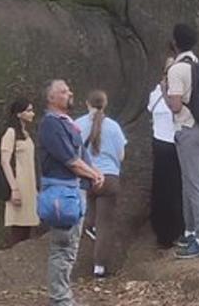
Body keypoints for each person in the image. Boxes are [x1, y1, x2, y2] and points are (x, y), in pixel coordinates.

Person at [37, 79, 104, 306]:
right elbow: (70, 160)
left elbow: (80, 154)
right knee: (63, 247)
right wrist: (93, 174)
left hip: (75, 191)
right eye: (63, 92)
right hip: (61, 193)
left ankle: (63, 297)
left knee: (71, 247)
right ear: (51, 98)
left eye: (68, 90)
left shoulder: (67, 123)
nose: (69, 94)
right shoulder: (51, 124)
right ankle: (60, 299)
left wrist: (95, 172)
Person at [164, 23, 199, 259]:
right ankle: (191, 231)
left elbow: (174, 105)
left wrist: (165, 89)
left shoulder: (177, 69)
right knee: (191, 181)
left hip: (188, 129)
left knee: (194, 184)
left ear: (175, 42)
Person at [75, 90, 127, 279]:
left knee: (88, 216)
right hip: (109, 178)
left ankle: (89, 227)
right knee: (105, 224)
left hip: (86, 176)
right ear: (105, 104)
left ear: (87, 103)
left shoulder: (78, 125)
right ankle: (99, 268)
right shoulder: (113, 127)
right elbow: (121, 155)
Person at [147, 66, 184, 247]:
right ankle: (178, 229)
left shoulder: (155, 93)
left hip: (160, 143)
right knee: (177, 187)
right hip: (176, 143)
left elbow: (150, 109)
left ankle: (163, 233)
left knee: (162, 188)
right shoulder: (180, 92)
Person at [0, 97, 40, 247]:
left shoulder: (25, 133)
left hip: (29, 185)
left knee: (28, 223)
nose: (32, 114)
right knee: (18, 226)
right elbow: (5, 161)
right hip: (18, 184)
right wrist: (14, 189)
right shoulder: (10, 133)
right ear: (18, 114)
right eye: (28, 111)